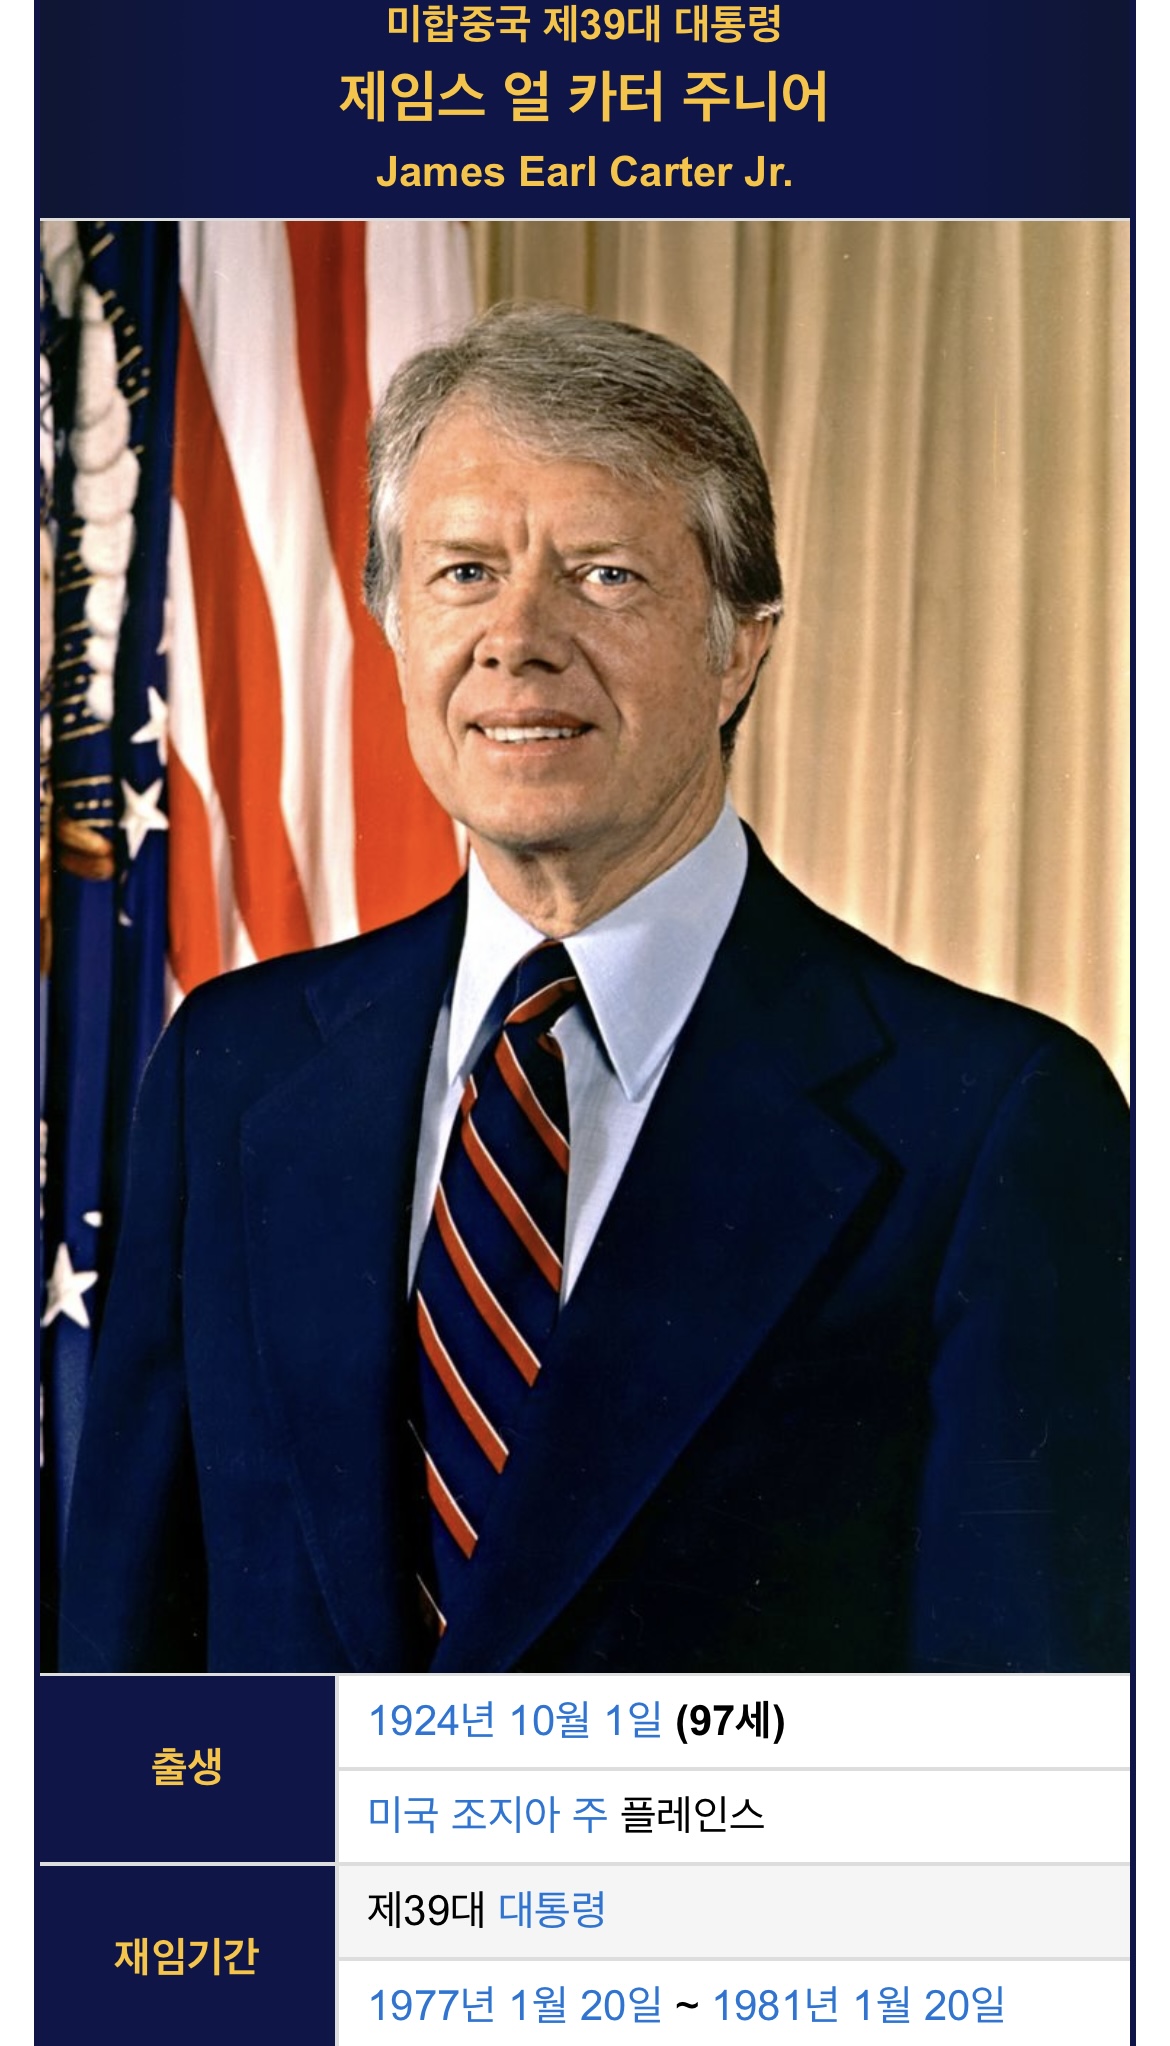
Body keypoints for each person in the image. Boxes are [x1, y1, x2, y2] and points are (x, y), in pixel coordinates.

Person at [59, 303, 1128, 1676]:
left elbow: (1016, 1736)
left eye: (604, 575)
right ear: (392, 623)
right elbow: (129, 1665)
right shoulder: (235, 1065)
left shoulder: (991, 1121)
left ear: (738, 645)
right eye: (462, 572)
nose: (518, 638)